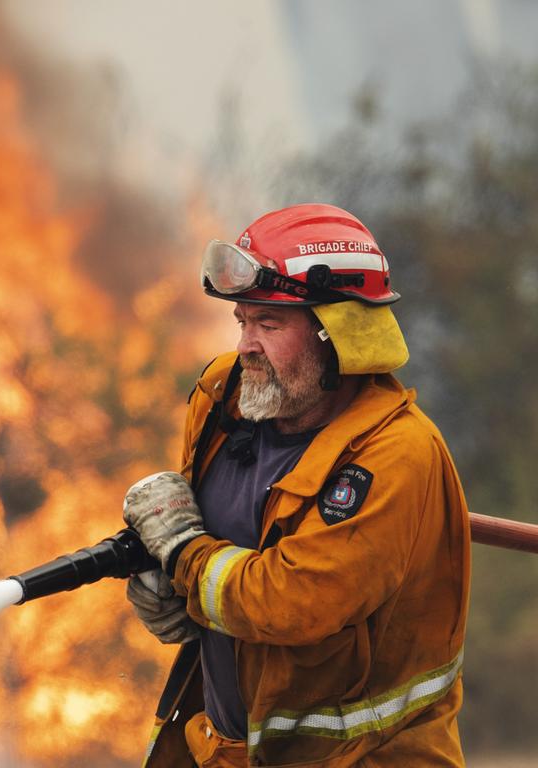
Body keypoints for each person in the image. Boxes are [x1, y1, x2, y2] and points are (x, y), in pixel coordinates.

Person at [122, 204, 470, 767]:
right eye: (243, 322)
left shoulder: (396, 455)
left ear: (337, 333)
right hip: (230, 753)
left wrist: (182, 554)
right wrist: (169, 587)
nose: (245, 347)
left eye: (270, 324)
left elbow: (292, 603)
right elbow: (210, 551)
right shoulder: (222, 397)